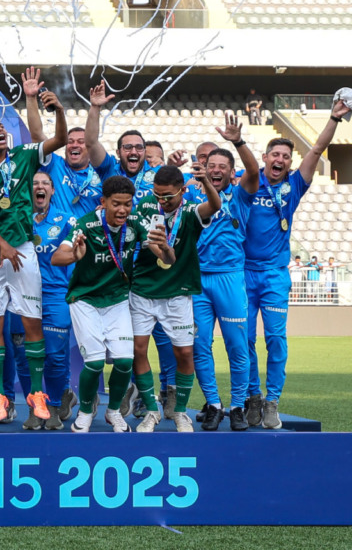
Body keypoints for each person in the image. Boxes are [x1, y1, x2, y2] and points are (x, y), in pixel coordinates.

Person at [0, 78, 68, 425]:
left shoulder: (23, 157)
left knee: (31, 320)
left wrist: (61, 112)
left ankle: (36, 394)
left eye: (1, 126)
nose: (0, 130)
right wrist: (2, 244)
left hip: (22, 251)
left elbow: (60, 140)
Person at [244, 97, 345, 429]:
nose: (281, 159)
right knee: (243, 339)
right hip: (243, 274)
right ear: (265, 158)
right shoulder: (249, 181)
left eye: (286, 156)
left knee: (275, 339)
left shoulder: (294, 185)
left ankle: (272, 401)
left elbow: (315, 150)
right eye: (276, 154)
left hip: (274, 276)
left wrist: (333, 118)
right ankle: (253, 397)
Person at [52, 176, 174, 433]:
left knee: (124, 362)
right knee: (95, 363)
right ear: (103, 202)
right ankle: (85, 413)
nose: (122, 210)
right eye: (116, 204)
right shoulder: (85, 224)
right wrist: (75, 254)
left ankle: (113, 411)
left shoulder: (135, 224)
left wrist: (165, 248)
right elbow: (56, 257)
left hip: (118, 299)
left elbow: (165, 257)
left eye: (127, 204)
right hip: (85, 300)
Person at [129, 163, 220, 433]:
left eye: (168, 196)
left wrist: (207, 184)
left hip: (178, 293)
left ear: (182, 191)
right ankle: (151, 412)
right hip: (143, 291)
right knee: (138, 351)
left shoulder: (191, 212)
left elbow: (213, 206)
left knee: (184, 352)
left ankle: (180, 411)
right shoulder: (145, 207)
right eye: (157, 195)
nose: (162, 201)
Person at [190, 115, 260, 432]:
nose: (216, 170)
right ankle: (215, 405)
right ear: (204, 169)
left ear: (232, 173)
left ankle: (236, 407)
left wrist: (238, 142)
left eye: (222, 166)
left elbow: (255, 171)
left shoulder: (242, 195)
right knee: (199, 345)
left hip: (231, 279)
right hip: (197, 280)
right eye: (211, 165)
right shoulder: (193, 197)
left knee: (237, 346)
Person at [28, 171, 77, 429]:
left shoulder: (66, 219)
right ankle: (35, 408)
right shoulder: (19, 218)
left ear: (53, 190)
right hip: (23, 296)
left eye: (45, 183)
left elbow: (76, 253)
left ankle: (56, 405)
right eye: (35, 183)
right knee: (26, 356)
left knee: (55, 356)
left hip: (56, 294)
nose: (40, 187)